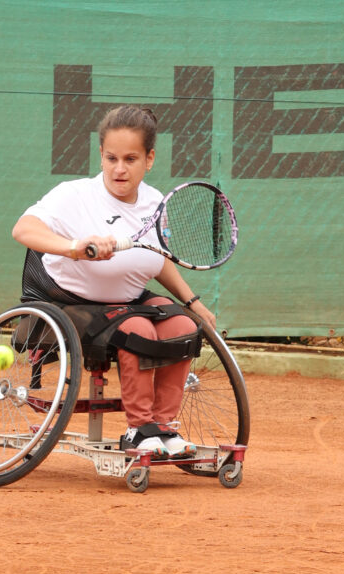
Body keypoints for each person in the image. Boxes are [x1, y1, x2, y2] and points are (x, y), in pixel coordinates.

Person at [12, 104, 216, 459]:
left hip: (129, 300)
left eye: (130, 159)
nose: (119, 169)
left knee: (183, 326)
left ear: (149, 159)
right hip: (70, 302)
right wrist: (75, 247)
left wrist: (193, 302)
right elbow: (23, 230)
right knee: (138, 328)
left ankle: (164, 429)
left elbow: (157, 259)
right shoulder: (74, 195)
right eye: (111, 158)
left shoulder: (155, 202)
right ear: (101, 156)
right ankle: (140, 430)